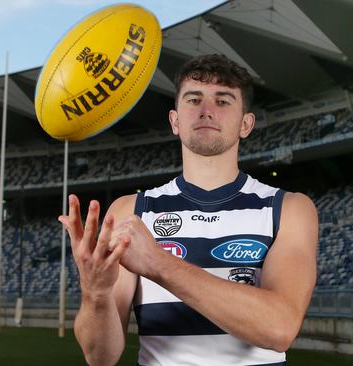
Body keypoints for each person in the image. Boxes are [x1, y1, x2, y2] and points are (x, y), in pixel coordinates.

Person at [59, 54, 318, 365]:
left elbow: (279, 328)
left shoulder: (288, 208)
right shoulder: (132, 211)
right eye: (193, 99)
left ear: (246, 124)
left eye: (223, 101)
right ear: (175, 121)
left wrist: (158, 263)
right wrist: (96, 294)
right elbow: (100, 356)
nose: (206, 111)